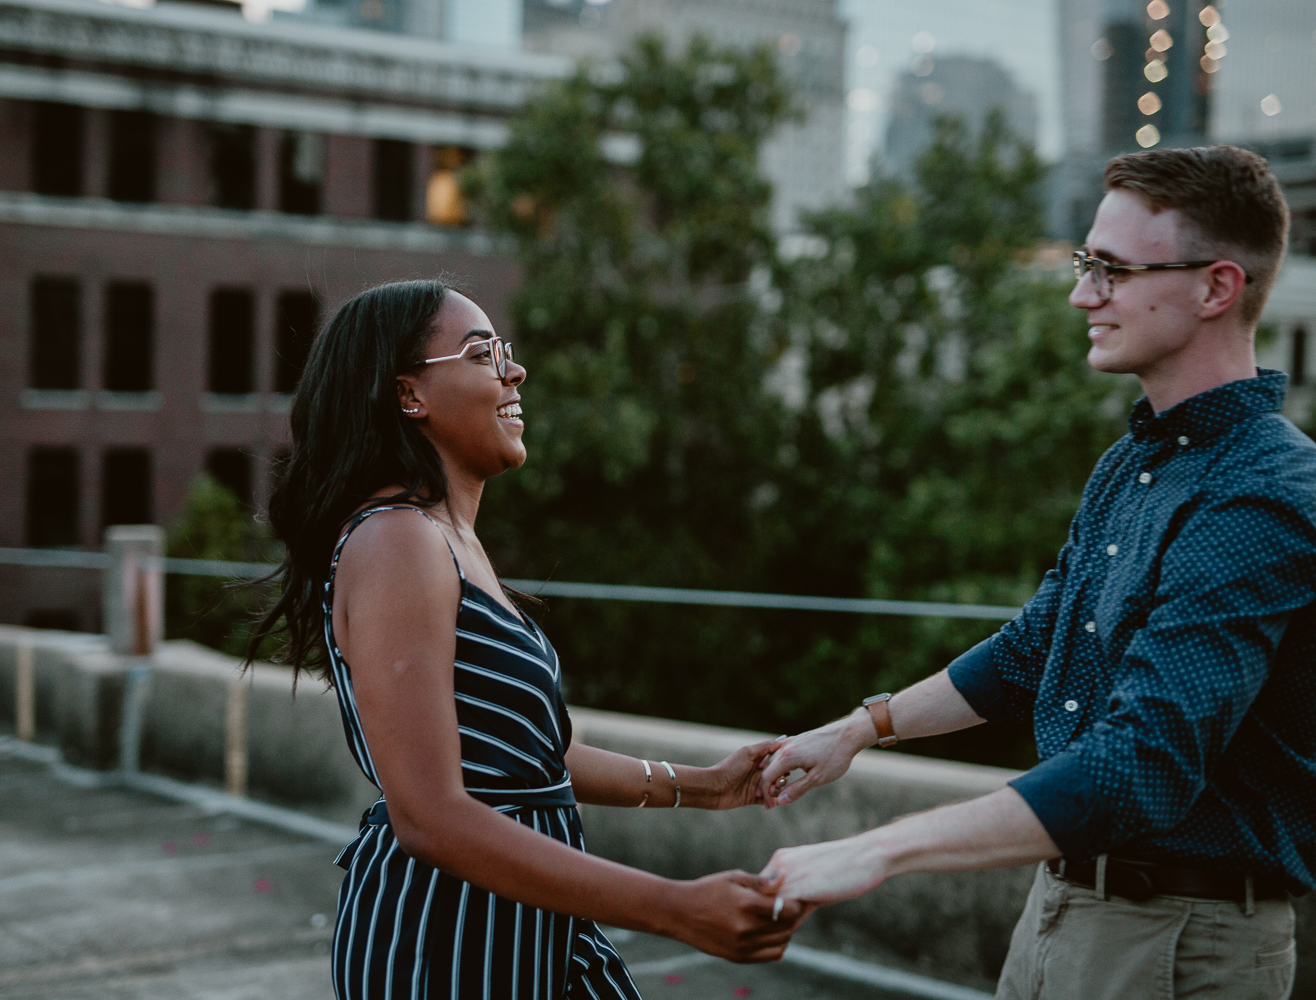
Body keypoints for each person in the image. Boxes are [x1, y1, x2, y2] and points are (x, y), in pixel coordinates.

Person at [754, 145, 1316, 1000]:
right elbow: (1033, 648)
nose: (1080, 294)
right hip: (1065, 910)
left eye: (1112, 271)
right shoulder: (1131, 464)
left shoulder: (1262, 496)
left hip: (1178, 940)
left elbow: (1143, 763)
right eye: (1088, 264)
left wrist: (877, 848)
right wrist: (859, 729)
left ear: (1216, 288)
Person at [249, 280, 803, 1000]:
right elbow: (429, 815)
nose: (515, 372)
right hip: (444, 940)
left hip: (532, 920)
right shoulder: (395, 542)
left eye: (506, 352)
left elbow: (529, 757)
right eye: (483, 354)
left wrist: (701, 786)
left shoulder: (449, 541)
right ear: (409, 394)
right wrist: (674, 907)